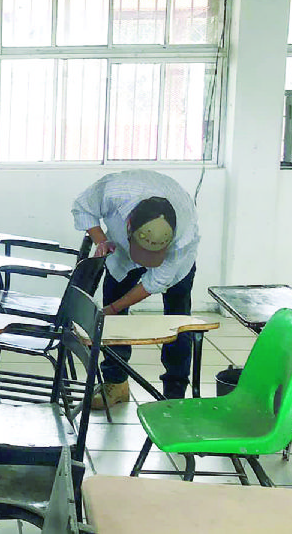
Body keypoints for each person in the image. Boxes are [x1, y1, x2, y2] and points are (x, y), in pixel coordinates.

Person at [71, 169, 199, 406]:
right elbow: (83, 207)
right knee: (114, 323)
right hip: (119, 253)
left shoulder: (183, 236)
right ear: (128, 225)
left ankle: (174, 395)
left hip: (178, 268)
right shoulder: (115, 192)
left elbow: (155, 282)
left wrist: (112, 308)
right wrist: (102, 241)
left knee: (179, 323)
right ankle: (115, 383)